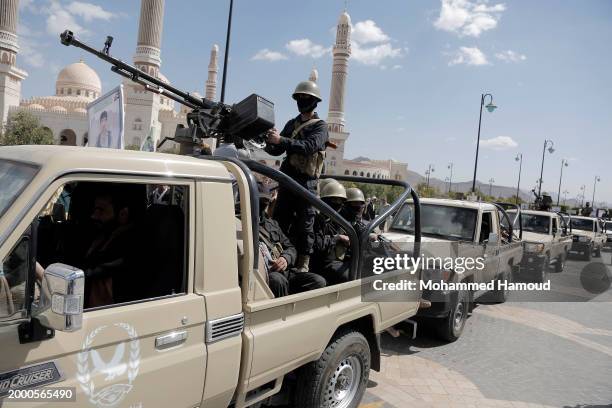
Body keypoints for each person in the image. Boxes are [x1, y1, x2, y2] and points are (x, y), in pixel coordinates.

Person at [265, 80, 329, 273]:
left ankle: (303, 265)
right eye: (299, 97)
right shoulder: (291, 124)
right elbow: (276, 150)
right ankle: (276, 257)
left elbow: (309, 147)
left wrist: (281, 140)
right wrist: (269, 140)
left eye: (306, 98)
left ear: (315, 101)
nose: (302, 100)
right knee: (279, 220)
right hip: (288, 181)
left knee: (305, 225)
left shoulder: (320, 127)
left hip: (306, 183)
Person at [257, 182, 326, 296]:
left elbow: (290, 248)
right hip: (264, 275)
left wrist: (285, 258)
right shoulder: (240, 225)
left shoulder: (272, 224)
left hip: (285, 271)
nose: (263, 204)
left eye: (265, 201)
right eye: (260, 201)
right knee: (277, 280)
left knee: (318, 282)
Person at [81, 189, 135, 307]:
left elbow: (101, 269)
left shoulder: (129, 242)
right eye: (94, 209)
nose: (94, 216)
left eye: (101, 210)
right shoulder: (104, 234)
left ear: (123, 213)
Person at [311, 181, 351, 284]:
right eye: (334, 199)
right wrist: (338, 238)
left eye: (340, 200)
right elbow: (318, 245)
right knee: (347, 275)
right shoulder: (317, 219)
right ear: (325, 200)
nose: (337, 203)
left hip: (337, 260)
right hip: (322, 264)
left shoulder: (337, 220)